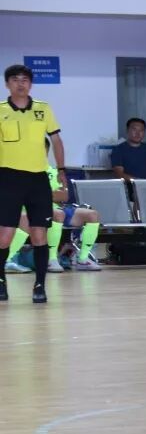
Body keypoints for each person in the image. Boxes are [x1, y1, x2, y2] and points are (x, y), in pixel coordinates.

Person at [0, 64, 67, 304]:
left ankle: (40, 285)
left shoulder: (43, 108)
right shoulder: (0, 110)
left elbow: (56, 141)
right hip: (8, 178)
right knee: (4, 236)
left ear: (30, 84)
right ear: (7, 84)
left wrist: (61, 170)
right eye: (15, 79)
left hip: (38, 179)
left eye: (25, 79)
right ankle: (1, 281)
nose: (21, 83)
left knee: (39, 234)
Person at [6, 138, 101, 273]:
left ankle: (83, 259)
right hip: (30, 209)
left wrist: (39, 193)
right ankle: (51, 259)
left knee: (92, 215)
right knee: (57, 214)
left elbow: (64, 196)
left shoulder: (55, 172)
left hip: (55, 207)